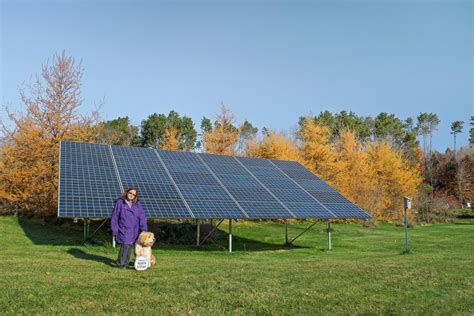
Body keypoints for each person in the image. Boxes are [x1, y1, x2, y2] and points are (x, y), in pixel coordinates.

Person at [111, 187, 148, 269]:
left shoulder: (137, 204)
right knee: (125, 246)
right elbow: (115, 217)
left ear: (135, 196)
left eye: (134, 194)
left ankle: (126, 264)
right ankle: (120, 264)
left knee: (130, 246)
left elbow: (142, 217)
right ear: (127, 193)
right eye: (130, 193)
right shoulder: (120, 203)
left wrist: (144, 229)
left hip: (134, 230)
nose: (131, 195)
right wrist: (114, 229)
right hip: (123, 228)